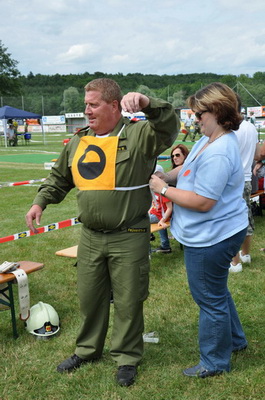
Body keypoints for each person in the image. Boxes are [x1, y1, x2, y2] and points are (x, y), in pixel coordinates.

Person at [25, 78, 179, 387]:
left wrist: (147, 103)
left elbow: (168, 126)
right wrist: (41, 201)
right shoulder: (79, 140)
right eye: (86, 105)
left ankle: (126, 357)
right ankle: (87, 350)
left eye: (93, 104)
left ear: (113, 105)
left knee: (128, 299)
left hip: (129, 234)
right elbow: (59, 177)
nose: (87, 111)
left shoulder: (138, 136)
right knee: (90, 298)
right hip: (91, 237)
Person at [149, 82, 248, 378]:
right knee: (216, 291)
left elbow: (203, 202)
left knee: (209, 298)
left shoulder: (219, 151)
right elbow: (189, 167)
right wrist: (167, 175)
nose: (195, 118)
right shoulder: (209, 140)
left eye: (199, 113)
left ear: (216, 111)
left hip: (212, 238)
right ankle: (236, 341)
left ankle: (215, 362)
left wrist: (163, 188)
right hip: (216, 232)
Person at [230, 95, 260, 273]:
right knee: (246, 216)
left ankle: (235, 263)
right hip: (247, 178)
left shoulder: (231, 128)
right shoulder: (251, 127)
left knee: (232, 221)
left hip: (233, 180)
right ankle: (245, 255)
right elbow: (257, 154)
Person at [149, 165, 172, 253]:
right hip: (156, 214)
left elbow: (170, 208)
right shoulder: (154, 189)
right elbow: (154, 204)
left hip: (161, 216)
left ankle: (147, 251)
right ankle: (165, 246)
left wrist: (163, 220)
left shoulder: (164, 191)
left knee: (140, 222)